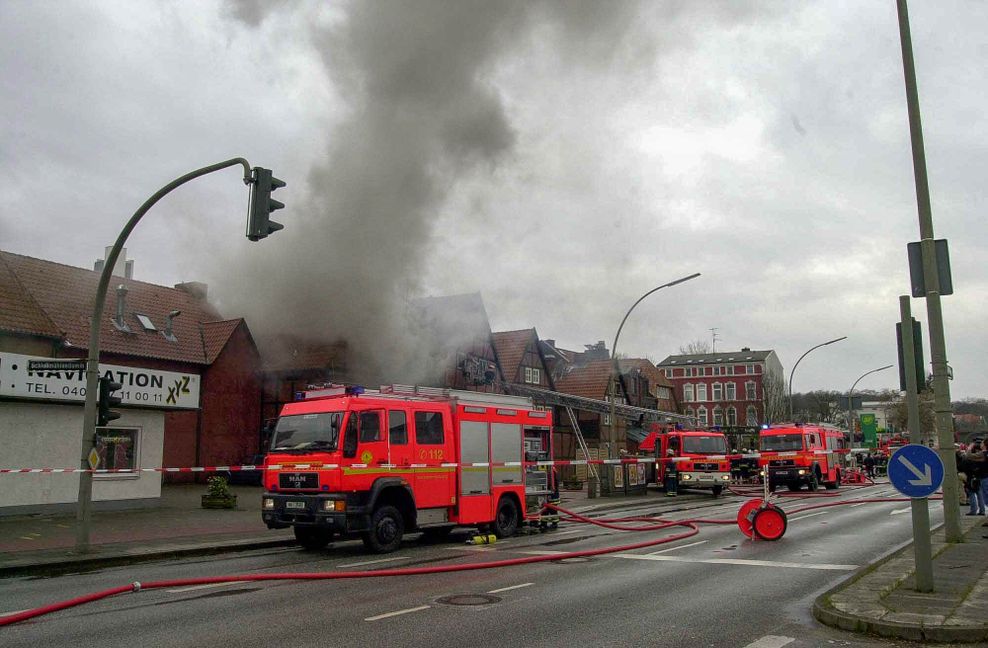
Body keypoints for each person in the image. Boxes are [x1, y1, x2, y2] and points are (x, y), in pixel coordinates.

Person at [964, 442, 986, 516]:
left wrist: (969, 447)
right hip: (980, 477)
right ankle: (982, 511)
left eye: (982, 443)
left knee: (972, 492)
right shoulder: (983, 455)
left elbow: (968, 456)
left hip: (976, 477)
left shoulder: (983, 454)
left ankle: (974, 510)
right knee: (981, 494)